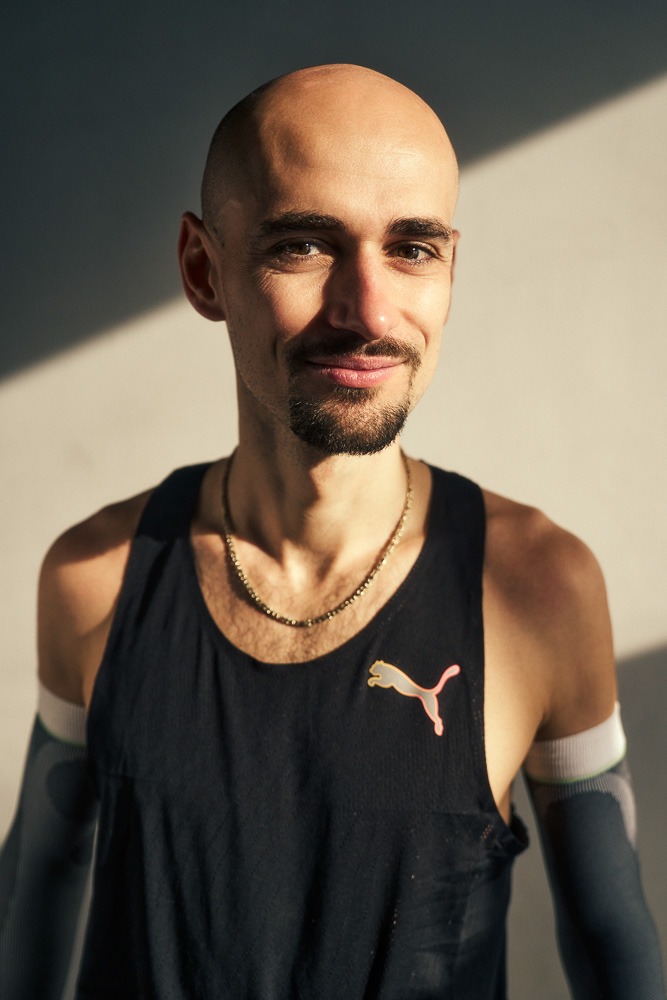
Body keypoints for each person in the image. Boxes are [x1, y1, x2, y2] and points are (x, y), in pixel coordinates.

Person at [0, 63, 664, 1000]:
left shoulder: (538, 588)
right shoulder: (96, 576)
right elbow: (38, 888)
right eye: (305, 245)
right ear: (203, 270)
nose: (369, 312)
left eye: (412, 248)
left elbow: (607, 942)